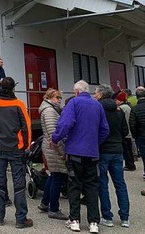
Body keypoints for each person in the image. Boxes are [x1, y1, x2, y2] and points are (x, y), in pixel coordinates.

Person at [51, 80, 109, 234]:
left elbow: (65, 124)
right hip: (92, 153)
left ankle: (75, 219)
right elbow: (104, 129)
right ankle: (94, 222)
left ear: (76, 91)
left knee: (74, 185)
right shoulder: (98, 105)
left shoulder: (74, 103)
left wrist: (55, 138)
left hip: (75, 151)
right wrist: (94, 142)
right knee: (92, 187)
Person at [0, 77, 33, 229]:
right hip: (16, 148)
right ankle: (21, 219)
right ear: (12, 89)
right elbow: (27, 127)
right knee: (18, 183)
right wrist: (26, 146)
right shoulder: (18, 104)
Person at [94, 86, 130, 229]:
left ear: (101, 95)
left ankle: (107, 217)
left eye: (96, 93)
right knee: (120, 184)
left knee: (102, 184)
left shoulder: (97, 109)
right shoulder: (118, 110)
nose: (94, 95)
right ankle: (125, 218)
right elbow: (125, 130)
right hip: (117, 149)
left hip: (102, 150)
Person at [38, 88, 68, 221]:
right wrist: (62, 152)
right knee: (57, 177)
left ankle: (45, 203)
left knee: (54, 175)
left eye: (60, 97)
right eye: (57, 97)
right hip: (53, 148)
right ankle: (54, 208)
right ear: (49, 98)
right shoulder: (50, 111)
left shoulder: (49, 109)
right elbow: (52, 133)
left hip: (50, 147)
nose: (59, 100)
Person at [115, 92, 136, 171]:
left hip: (124, 132)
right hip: (129, 131)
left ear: (120, 101)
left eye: (117, 100)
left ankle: (129, 164)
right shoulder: (129, 107)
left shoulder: (121, 108)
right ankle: (131, 163)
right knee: (129, 149)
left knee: (126, 150)